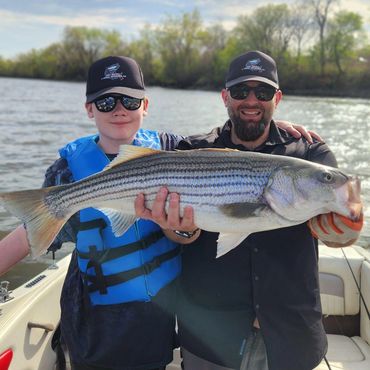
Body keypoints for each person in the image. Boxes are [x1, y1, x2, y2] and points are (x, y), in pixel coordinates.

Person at [0, 54, 333, 369]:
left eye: (129, 101)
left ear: (145, 105)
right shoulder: (66, 171)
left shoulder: (172, 146)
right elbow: (31, 231)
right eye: (106, 102)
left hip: (155, 329)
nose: (119, 110)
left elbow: (225, 151)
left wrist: (267, 118)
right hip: (93, 328)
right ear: (89, 109)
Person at [135, 50, 363, 370]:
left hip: (292, 336)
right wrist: (178, 228)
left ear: (277, 98)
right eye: (241, 91)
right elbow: (181, 236)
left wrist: (347, 231)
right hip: (211, 337)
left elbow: (340, 238)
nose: (252, 101)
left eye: (263, 92)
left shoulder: (310, 153)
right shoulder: (192, 150)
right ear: (225, 97)